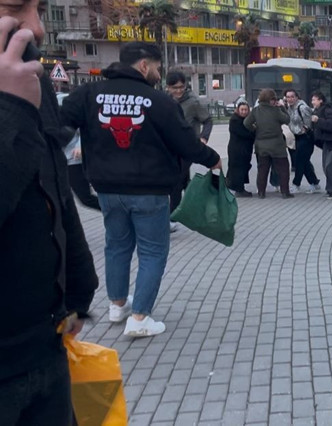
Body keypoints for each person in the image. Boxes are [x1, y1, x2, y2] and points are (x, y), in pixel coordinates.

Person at [61, 42, 221, 337]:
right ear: (144, 66)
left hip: (107, 188)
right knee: (152, 251)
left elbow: (59, 126)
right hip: (149, 189)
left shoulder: (88, 94)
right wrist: (213, 160)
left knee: (117, 245)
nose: (159, 75)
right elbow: (185, 141)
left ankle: (118, 305)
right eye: (158, 68)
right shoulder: (158, 101)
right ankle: (139, 318)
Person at [0, 10, 99, 423]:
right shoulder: (13, 93)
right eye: (15, 7)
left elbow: (50, 178)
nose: (37, 26)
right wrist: (8, 109)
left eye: (38, 8)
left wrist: (78, 281)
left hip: (45, 346)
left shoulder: (23, 79)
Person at [166, 71, 213, 230]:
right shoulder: (163, 100)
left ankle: (172, 218)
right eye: (175, 88)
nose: (179, 91)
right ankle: (203, 208)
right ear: (168, 87)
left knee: (176, 181)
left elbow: (208, 120)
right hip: (170, 147)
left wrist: (203, 138)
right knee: (185, 181)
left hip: (188, 147)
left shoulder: (193, 102)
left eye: (181, 87)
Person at [244, 88, 292, 199]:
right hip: (277, 145)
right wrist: (283, 108)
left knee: (262, 169)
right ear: (270, 99)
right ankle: (285, 192)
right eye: (274, 99)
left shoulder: (256, 111)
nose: (275, 101)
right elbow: (287, 120)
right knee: (283, 168)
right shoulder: (276, 111)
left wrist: (254, 129)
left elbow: (246, 123)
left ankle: (261, 192)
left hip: (261, 145)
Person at [311, 91, 332, 200]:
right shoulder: (318, 111)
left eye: (314, 100)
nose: (312, 102)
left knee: (329, 166)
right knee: (326, 167)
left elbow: (331, 125)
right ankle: (330, 189)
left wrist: (318, 121)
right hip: (327, 142)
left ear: (321, 100)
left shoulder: (329, 111)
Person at [285, 89, 321, 193]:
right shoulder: (290, 108)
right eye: (288, 97)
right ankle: (314, 183)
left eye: (292, 96)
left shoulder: (302, 107)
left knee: (299, 161)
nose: (290, 99)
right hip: (298, 137)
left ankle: (296, 184)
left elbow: (308, 122)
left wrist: (304, 129)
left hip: (306, 137)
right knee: (304, 161)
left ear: (297, 97)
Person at [64, 131, 101, 210]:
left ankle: (115, 212)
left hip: (74, 159)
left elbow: (83, 129)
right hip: (54, 163)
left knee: (85, 198)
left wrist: (80, 145)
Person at [226, 100, 255, 197]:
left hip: (244, 149)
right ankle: (239, 189)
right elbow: (244, 134)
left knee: (243, 168)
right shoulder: (235, 120)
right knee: (238, 169)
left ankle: (238, 187)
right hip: (237, 149)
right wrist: (254, 132)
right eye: (242, 110)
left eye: (246, 110)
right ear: (238, 110)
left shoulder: (247, 120)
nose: (244, 112)